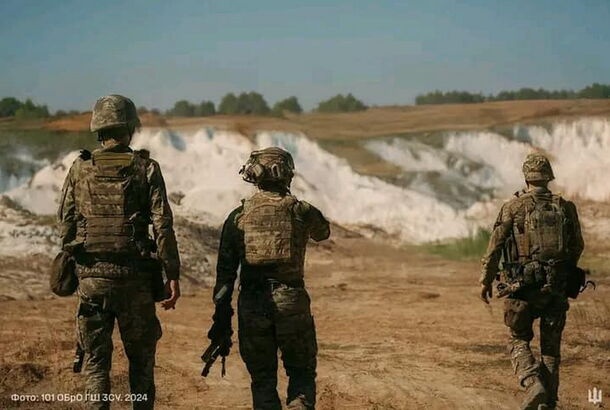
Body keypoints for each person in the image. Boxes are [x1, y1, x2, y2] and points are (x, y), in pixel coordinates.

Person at [57, 94, 181, 409]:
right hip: (135, 281)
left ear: (98, 127)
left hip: (92, 281)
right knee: (141, 363)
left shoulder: (80, 168)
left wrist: (77, 263)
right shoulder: (147, 168)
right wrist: (172, 274)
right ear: (129, 127)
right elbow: (162, 226)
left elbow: (66, 223)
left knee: (96, 363)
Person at [208, 147, 330, 410]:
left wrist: (221, 317)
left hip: (252, 304)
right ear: (286, 173)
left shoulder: (237, 217)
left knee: (262, 380)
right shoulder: (301, 210)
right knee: (301, 373)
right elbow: (323, 232)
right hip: (292, 302)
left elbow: (225, 275)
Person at [479, 153, 584, 410]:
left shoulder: (513, 207)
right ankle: (548, 402)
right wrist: (561, 271)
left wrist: (486, 279)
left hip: (522, 289)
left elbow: (495, 247)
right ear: (548, 177)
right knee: (550, 349)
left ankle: (532, 382)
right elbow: (577, 246)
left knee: (518, 339)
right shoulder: (565, 207)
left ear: (526, 177)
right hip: (556, 288)